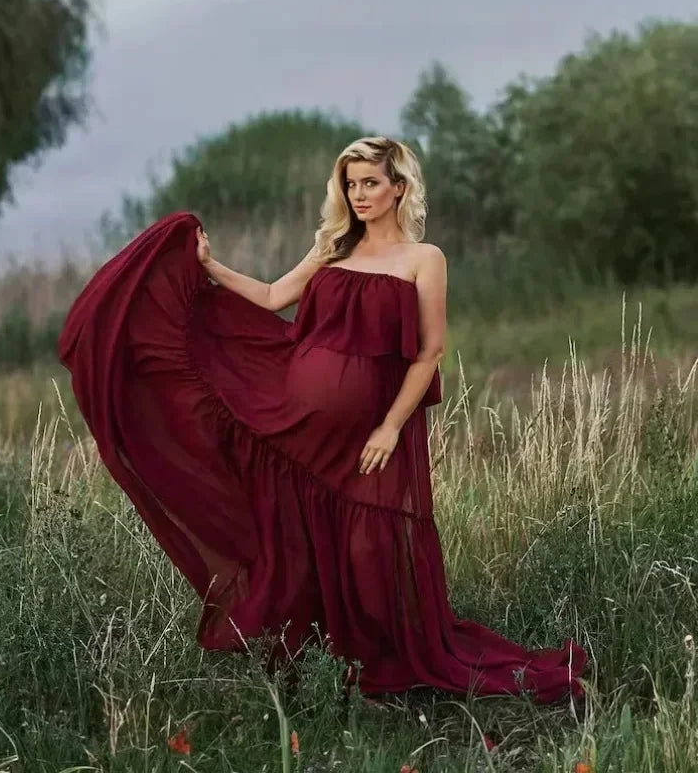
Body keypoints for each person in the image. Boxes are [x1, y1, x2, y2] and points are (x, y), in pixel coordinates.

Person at [58, 136, 588, 704]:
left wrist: (390, 426)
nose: (359, 194)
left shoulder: (423, 259)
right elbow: (271, 297)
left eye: (370, 183)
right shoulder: (333, 248)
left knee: (370, 548)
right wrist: (210, 266)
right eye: (351, 183)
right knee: (304, 539)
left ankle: (394, 658)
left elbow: (429, 352)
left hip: (370, 431)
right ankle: (337, 663)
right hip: (296, 422)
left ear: (399, 188)